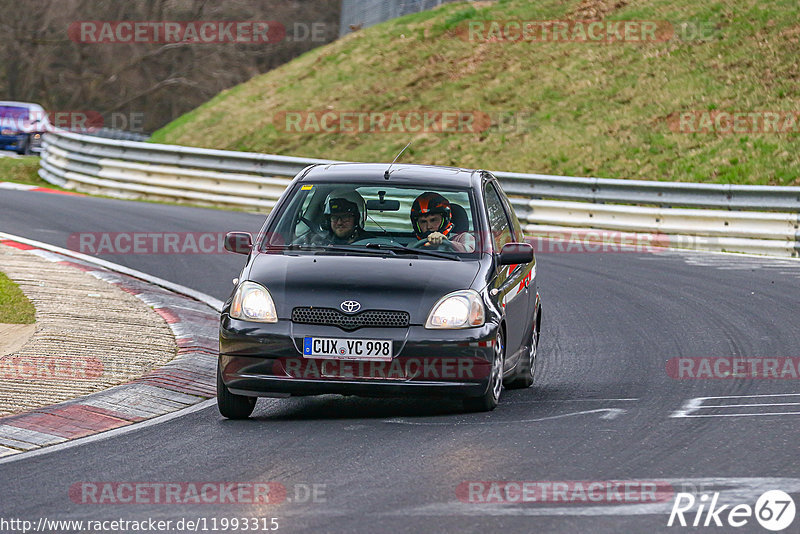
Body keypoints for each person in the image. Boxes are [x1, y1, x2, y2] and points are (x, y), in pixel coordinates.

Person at [410, 192, 475, 252]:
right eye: (423, 222)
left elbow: (470, 253)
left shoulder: (463, 238)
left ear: (445, 220)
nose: (429, 226)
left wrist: (446, 242)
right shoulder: (412, 244)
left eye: (433, 220)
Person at [308, 190, 373, 245]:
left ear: (356, 219)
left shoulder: (369, 244)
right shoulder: (320, 242)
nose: (339, 222)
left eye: (345, 217)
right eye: (334, 217)